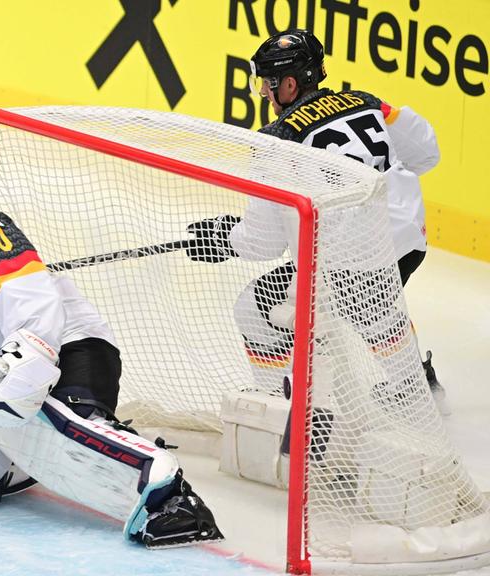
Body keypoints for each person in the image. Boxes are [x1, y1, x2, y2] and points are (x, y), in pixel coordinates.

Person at [0, 164, 223, 548]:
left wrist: (22, 371)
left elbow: (37, 311)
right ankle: (42, 453)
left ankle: (171, 494)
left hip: (69, 347)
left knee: (60, 424)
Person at [189, 28, 447, 412]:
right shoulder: (368, 103)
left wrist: (225, 239)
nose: (263, 92)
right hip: (408, 240)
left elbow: (264, 243)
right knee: (370, 303)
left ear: (289, 84)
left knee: (257, 309)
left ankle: (278, 409)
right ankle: (418, 384)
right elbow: (427, 152)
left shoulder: (278, 138)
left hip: (351, 258)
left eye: (268, 83)